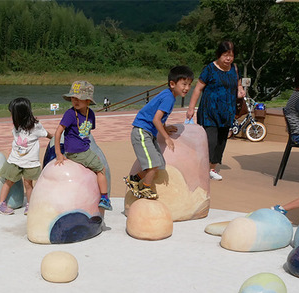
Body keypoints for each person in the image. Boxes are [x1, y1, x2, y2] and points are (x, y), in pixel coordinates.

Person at [124, 65, 194, 200]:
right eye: (184, 84)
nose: (187, 88)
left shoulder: (168, 95)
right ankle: (145, 187)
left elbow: (159, 118)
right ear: (172, 84)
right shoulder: (169, 98)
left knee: (158, 162)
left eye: (189, 84)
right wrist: (166, 137)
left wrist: (165, 127)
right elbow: (156, 119)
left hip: (147, 132)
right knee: (153, 164)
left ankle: (133, 179)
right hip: (142, 132)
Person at [186, 40, 245, 181]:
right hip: (209, 112)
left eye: (231, 55)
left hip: (227, 112)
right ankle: (202, 169)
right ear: (219, 55)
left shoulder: (234, 69)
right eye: (225, 55)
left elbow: (238, 84)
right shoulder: (210, 69)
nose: (228, 59)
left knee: (221, 142)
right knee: (210, 141)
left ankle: (212, 168)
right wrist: (190, 108)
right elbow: (198, 89)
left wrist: (240, 90)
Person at [54, 80, 111, 211]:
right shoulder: (70, 114)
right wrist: (59, 154)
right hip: (77, 151)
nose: (75, 101)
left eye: (79, 98)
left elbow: (87, 133)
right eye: (73, 98)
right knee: (101, 169)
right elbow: (58, 132)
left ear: (88, 101)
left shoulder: (90, 114)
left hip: (84, 149)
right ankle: (105, 198)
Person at [0, 98, 52, 215]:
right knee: (9, 181)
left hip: (30, 162)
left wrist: (58, 137)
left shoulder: (36, 126)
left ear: (19, 114)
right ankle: (0, 204)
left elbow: (47, 134)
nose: (11, 116)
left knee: (28, 184)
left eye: (12, 113)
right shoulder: (17, 125)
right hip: (15, 160)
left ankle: (30, 205)